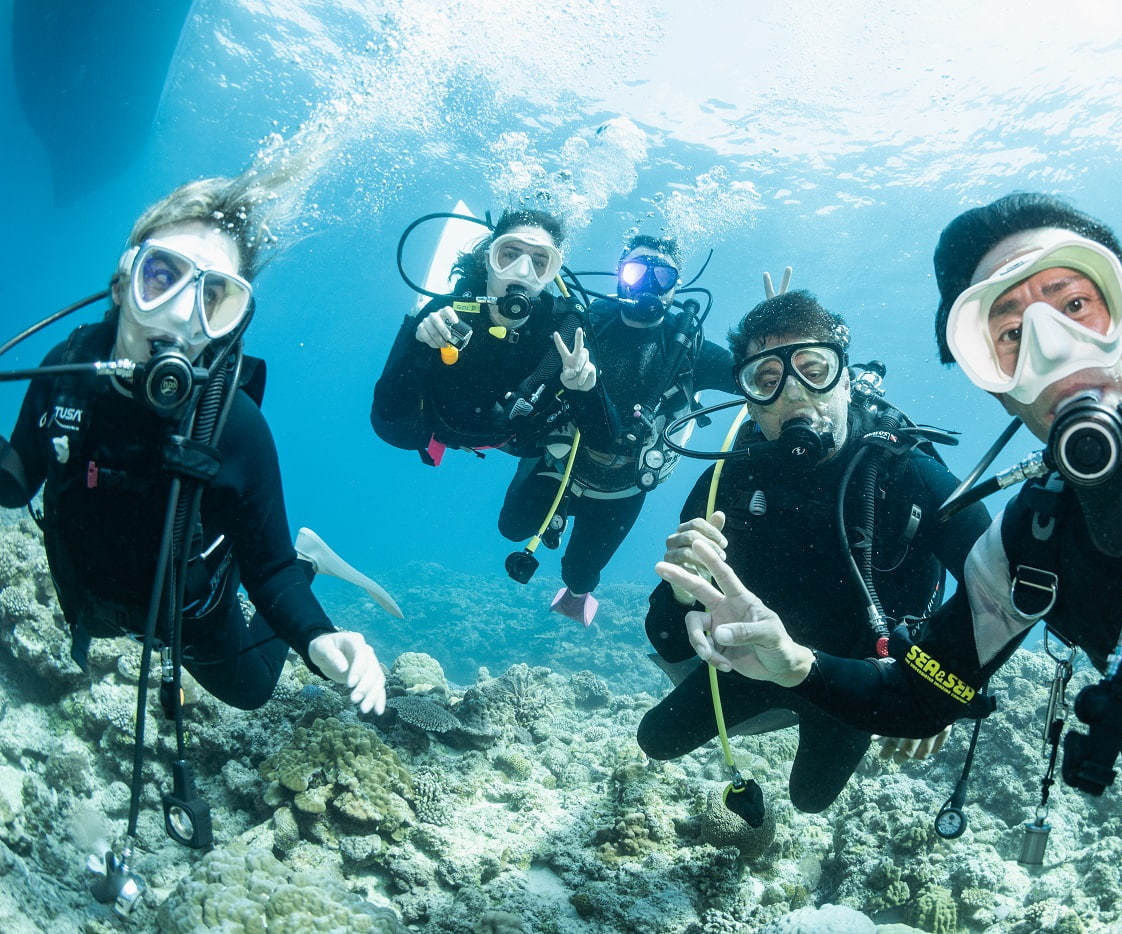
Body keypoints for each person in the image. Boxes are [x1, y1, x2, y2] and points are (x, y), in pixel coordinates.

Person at [657, 194, 1122, 905]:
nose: (1054, 352)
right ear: (994, 381)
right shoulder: (1029, 543)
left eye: (1075, 304)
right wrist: (793, 662)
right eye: (1010, 334)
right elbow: (918, 697)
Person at [0, 171, 395, 717]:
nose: (181, 314)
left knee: (252, 692)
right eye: (162, 276)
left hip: (189, 616)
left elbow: (269, 569)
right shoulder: (67, 372)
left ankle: (312, 559)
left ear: (229, 323)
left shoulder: (235, 427)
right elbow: (16, 480)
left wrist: (317, 637)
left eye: (213, 297)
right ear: (122, 283)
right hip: (91, 603)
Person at [638, 290, 990, 812]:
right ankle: (774, 710)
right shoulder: (727, 485)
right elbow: (666, 640)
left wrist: (937, 687)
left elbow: (999, 586)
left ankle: (797, 712)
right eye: (766, 380)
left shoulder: (908, 474)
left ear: (845, 379)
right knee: (654, 740)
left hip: (850, 673)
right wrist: (679, 595)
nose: (793, 394)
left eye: (813, 369)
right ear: (749, 402)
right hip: (752, 659)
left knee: (811, 799)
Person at [498, 234, 735, 626]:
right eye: (636, 272)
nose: (648, 285)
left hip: (622, 488)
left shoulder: (690, 349)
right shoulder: (585, 324)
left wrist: (774, 347)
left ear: (676, 287)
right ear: (619, 276)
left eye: (663, 276)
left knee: (579, 576)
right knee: (511, 529)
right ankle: (555, 519)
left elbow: (752, 377)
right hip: (561, 464)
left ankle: (576, 597)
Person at [371, 210, 613, 463]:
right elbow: (387, 423)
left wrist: (586, 390)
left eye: (539, 262)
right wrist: (418, 346)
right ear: (489, 260)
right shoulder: (446, 313)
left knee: (540, 449)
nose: (522, 272)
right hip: (439, 427)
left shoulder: (567, 332)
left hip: (514, 436)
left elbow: (604, 441)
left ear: (550, 274)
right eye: (510, 255)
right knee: (409, 437)